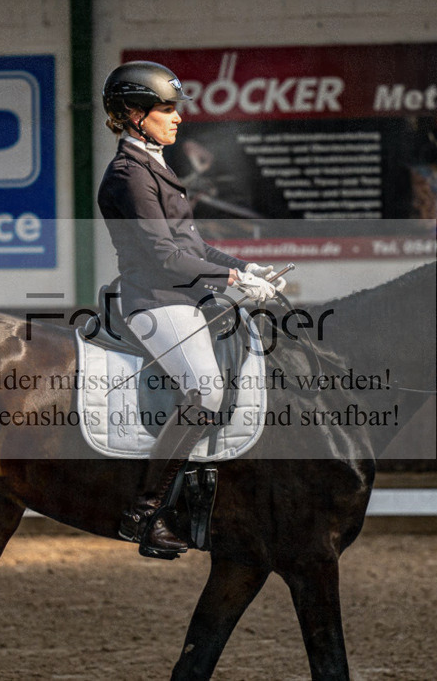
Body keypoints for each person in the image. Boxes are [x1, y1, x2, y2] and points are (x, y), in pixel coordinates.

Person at [97, 61, 285, 559]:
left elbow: (194, 244)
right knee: (205, 391)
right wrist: (229, 280)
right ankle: (144, 512)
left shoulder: (156, 165)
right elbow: (164, 257)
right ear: (135, 115)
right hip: (154, 299)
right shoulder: (128, 175)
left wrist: (248, 267)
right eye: (166, 109)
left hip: (182, 295)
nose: (177, 118)